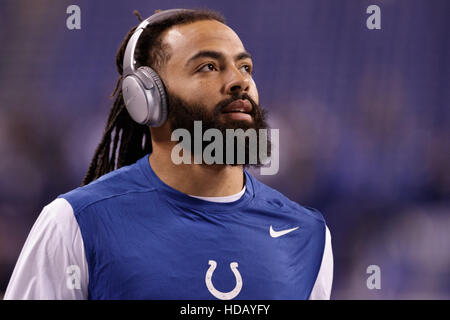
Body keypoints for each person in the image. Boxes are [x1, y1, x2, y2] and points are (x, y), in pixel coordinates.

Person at [4, 8, 333, 300]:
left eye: (245, 66)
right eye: (208, 67)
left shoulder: (307, 233)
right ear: (146, 98)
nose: (239, 81)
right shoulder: (76, 222)